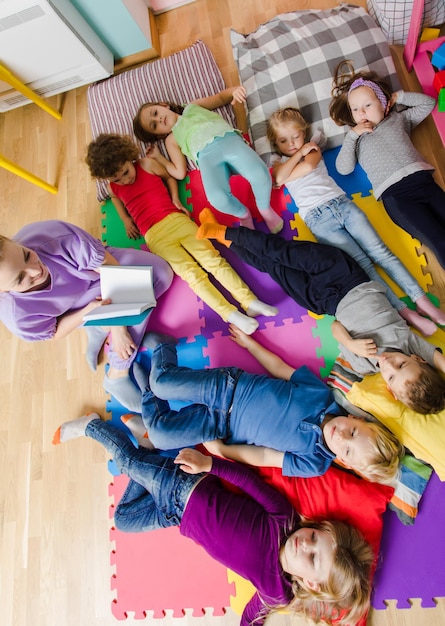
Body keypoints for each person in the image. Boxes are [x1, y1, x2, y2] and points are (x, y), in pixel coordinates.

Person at [52, 412, 374, 626]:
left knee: (123, 520)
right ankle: (92, 426)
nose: (306, 543)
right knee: (126, 461)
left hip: (176, 518)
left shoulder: (277, 592)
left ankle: (152, 448)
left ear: (310, 583)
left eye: (313, 557)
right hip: (186, 487)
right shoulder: (284, 519)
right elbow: (250, 482)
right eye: (316, 537)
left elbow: (252, 617)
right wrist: (209, 464)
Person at [196, 214, 445, 414]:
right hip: (345, 275)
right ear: (418, 359)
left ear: (389, 388)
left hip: (322, 302)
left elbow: (336, 326)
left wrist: (351, 344)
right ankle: (222, 231)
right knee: (281, 252)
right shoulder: (410, 345)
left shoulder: (364, 364)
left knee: (273, 268)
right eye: (402, 364)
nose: (391, 363)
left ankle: (227, 241)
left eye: (391, 375)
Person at [266, 106, 445, 337]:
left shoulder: (313, 147)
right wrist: (298, 154)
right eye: (283, 140)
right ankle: (405, 313)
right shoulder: (279, 159)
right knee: (363, 267)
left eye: (295, 136)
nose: (291, 143)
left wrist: (298, 160)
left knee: (382, 253)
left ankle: (422, 301)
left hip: (342, 204)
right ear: (275, 142)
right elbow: (278, 177)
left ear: (304, 132)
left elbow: (308, 167)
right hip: (318, 220)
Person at [132, 331, 403, 482]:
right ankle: (162, 348)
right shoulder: (322, 395)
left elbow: (263, 457)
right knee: (162, 383)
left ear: (343, 460)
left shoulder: (315, 462)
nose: (341, 435)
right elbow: (280, 369)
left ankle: (145, 390)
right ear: (358, 420)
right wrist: (251, 344)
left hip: (220, 426)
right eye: (353, 432)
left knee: (159, 435)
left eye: (346, 448)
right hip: (228, 387)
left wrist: (223, 451)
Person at [85, 134, 277, 336]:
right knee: (193, 276)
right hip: (154, 235)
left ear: (128, 157)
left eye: (125, 172)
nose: (125, 180)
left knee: (213, 260)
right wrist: (125, 219)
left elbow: (168, 177)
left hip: (176, 220)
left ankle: (249, 301)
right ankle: (230, 314)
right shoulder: (113, 187)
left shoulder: (146, 164)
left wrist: (176, 200)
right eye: (117, 178)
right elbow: (115, 198)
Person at [0, 220, 173, 412]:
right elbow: (54, 331)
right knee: (139, 293)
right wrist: (87, 312)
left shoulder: (55, 237)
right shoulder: (16, 315)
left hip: (98, 274)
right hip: (76, 309)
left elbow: (112, 269)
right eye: (20, 279)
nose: (35, 270)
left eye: (26, 255)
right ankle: (117, 373)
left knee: (161, 275)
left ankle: (101, 327)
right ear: (3, 291)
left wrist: (118, 327)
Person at [329, 60, 445, 270]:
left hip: (425, 183)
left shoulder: (400, 120)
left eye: (367, 105)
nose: (361, 112)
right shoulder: (357, 139)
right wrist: (352, 136)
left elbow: (428, 103)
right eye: (355, 109)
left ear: (385, 104)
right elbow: (343, 168)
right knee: (439, 241)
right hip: (398, 198)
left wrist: (398, 97)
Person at [132, 86, 284, 233]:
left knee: (260, 173)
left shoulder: (192, 107)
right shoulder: (171, 139)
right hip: (206, 158)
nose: (159, 119)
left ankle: (264, 208)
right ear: (159, 135)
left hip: (229, 140)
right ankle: (243, 214)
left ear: (163, 105)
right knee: (217, 199)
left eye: (155, 113)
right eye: (154, 125)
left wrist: (233, 92)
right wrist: (159, 157)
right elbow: (179, 173)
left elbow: (219, 98)